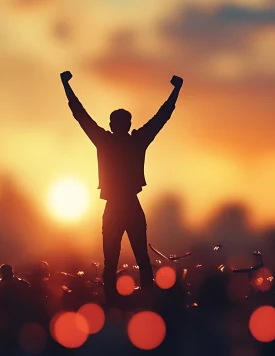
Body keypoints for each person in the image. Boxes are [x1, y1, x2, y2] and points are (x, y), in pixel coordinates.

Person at [60, 70, 183, 304]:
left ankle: (121, 301)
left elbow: (81, 115)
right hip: (124, 206)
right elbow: (161, 117)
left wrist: (66, 85)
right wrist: (176, 89)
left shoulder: (108, 141)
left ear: (115, 124)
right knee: (131, 259)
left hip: (118, 207)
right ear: (125, 124)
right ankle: (135, 300)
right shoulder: (131, 140)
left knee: (118, 261)